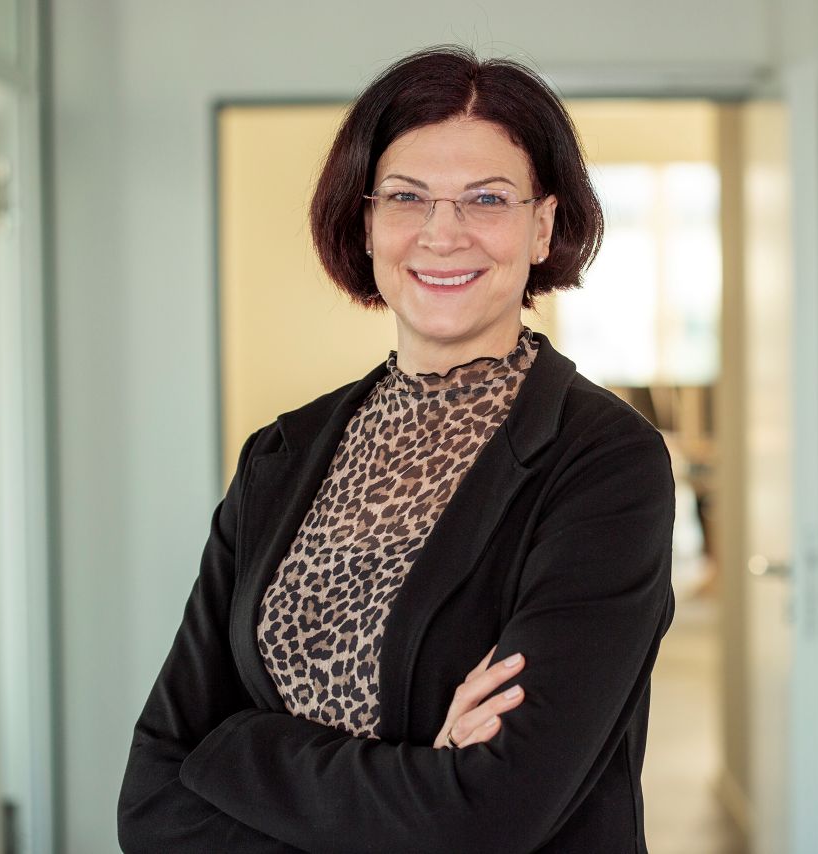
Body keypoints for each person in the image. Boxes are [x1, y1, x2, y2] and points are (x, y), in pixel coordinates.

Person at [118, 44, 676, 854]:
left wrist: (240, 746)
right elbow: (151, 800)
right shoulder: (282, 453)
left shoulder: (605, 464)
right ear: (367, 223)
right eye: (407, 197)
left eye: (487, 198)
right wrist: (420, 776)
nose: (442, 234)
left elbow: (488, 818)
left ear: (542, 227)